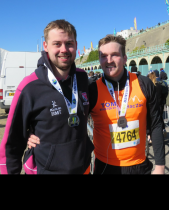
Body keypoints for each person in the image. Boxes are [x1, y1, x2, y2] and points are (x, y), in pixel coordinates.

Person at [28, 34, 165, 174]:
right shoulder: (91, 88)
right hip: (105, 167)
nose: (109, 60)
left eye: (115, 55)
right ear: (99, 59)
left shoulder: (143, 83)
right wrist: (32, 131)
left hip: (140, 166)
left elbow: (156, 124)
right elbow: (63, 117)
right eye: (104, 56)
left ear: (124, 58)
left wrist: (160, 165)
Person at [0, 19, 94, 174]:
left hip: (83, 169)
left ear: (76, 45)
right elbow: (11, 143)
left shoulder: (83, 78)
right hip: (46, 170)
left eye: (69, 43)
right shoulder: (29, 87)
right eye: (57, 44)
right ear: (45, 46)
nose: (64, 49)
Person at [147, 71, 163, 144]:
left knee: (149, 122)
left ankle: (149, 137)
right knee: (156, 123)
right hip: (158, 107)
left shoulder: (148, 87)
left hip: (149, 107)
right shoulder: (159, 86)